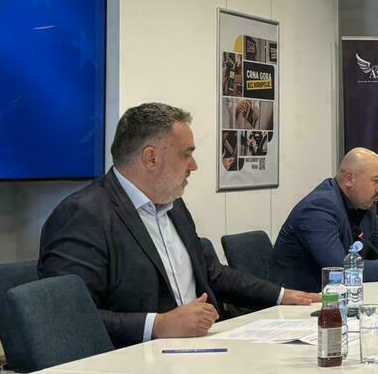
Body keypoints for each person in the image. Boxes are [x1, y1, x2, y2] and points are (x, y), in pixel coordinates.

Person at [38, 103, 318, 348]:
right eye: (186, 154)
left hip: (201, 347)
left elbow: (210, 272)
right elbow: (68, 315)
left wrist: (282, 295)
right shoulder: (84, 215)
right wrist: (158, 325)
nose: (194, 166)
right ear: (151, 158)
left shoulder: (173, 205)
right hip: (134, 364)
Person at [269, 148, 378, 291]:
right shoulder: (318, 208)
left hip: (338, 298)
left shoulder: (366, 205)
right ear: (349, 179)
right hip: (295, 305)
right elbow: (339, 270)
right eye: (376, 181)